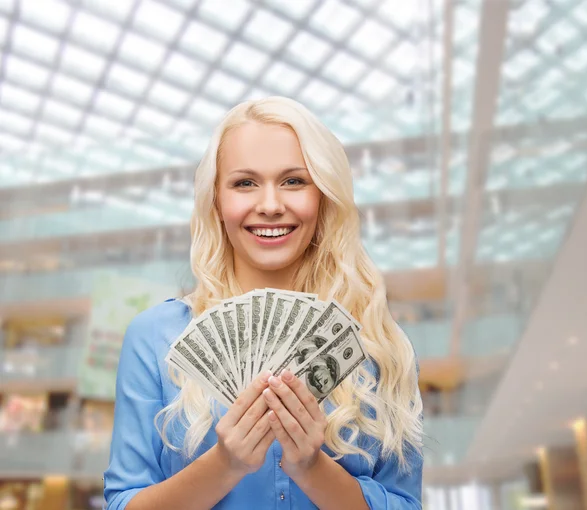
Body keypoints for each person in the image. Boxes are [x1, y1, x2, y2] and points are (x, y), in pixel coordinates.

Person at [103, 96, 424, 510]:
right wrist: (224, 464)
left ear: (323, 196)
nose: (271, 206)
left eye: (294, 181)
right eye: (244, 183)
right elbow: (122, 504)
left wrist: (312, 467)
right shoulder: (153, 338)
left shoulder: (382, 346)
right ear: (216, 202)